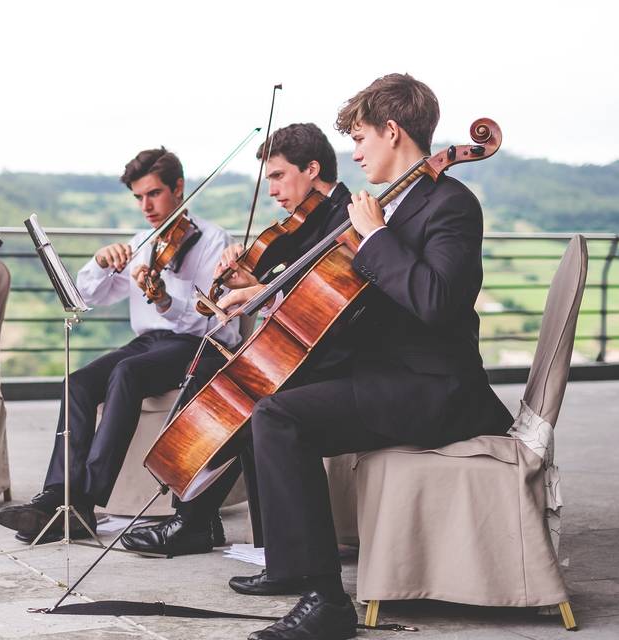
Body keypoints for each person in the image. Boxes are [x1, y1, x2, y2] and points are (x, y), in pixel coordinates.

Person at [223, 74, 515, 640]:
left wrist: (377, 237)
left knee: (279, 420)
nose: (354, 153)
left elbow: (433, 301)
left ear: (392, 129)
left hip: (434, 388)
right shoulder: (386, 202)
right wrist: (260, 294)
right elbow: (329, 283)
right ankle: (290, 566)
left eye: (360, 138)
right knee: (266, 397)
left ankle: (326, 603)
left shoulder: (451, 204)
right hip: (387, 370)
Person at [120, 122, 355, 557]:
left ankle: (194, 521)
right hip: (302, 348)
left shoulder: (343, 221)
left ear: (313, 168)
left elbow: (319, 300)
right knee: (225, 375)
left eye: (278, 176)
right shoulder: (307, 223)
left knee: (243, 391)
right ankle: (193, 517)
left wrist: (264, 290)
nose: (272, 191)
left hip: (337, 356)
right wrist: (253, 283)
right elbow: (287, 294)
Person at [0, 147, 241, 544]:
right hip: (149, 342)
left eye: (154, 194)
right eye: (139, 197)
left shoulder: (214, 241)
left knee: (127, 373)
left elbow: (212, 317)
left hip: (200, 344)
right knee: (77, 382)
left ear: (179, 188)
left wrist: (164, 301)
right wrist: (100, 261)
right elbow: (90, 295)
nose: (146, 206)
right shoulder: (144, 241)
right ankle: (58, 495)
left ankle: (86, 501)